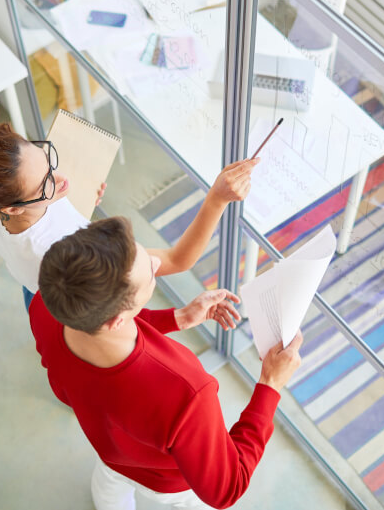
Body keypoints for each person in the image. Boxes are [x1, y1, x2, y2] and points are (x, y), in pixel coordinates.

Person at [31, 217, 303, 510]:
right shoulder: (184, 391)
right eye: (149, 271)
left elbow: (77, 366)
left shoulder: (46, 305)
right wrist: (269, 385)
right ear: (117, 320)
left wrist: (179, 318)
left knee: (110, 487)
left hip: (110, 453)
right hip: (168, 482)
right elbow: (227, 488)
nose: (157, 264)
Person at [0, 121, 258, 309]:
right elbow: (176, 260)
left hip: (35, 292)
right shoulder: (71, 251)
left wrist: (69, 204)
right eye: (47, 184)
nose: (62, 180)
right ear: (12, 208)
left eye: (48, 160)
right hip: (79, 298)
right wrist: (216, 200)